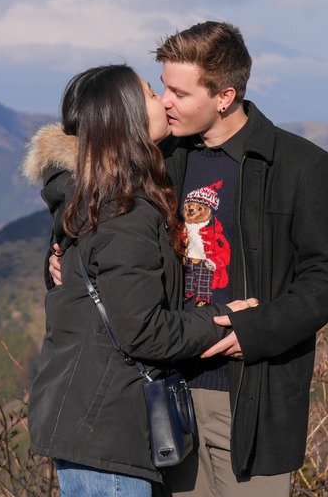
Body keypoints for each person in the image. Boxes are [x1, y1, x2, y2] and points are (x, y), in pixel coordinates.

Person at [23, 64, 257, 497]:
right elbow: (142, 329)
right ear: (124, 118)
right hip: (107, 425)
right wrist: (225, 320)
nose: (164, 101)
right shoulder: (123, 208)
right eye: (151, 94)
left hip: (92, 419)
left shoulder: (98, 196)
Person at [155, 21, 328, 496]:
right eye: (164, 86)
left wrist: (257, 331)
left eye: (179, 92)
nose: (164, 100)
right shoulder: (161, 159)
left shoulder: (299, 165)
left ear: (223, 96)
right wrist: (57, 259)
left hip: (252, 397)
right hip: (167, 395)